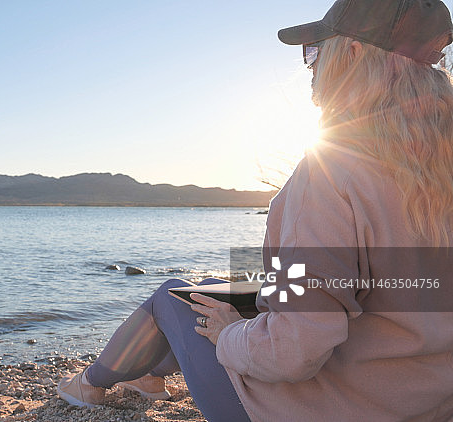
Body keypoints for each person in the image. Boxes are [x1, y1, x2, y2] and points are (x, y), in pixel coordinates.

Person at [56, 0, 453, 420]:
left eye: (315, 51)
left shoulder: (332, 173)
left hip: (330, 408)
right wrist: (268, 295)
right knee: (210, 291)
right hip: (429, 399)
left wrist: (231, 334)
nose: (311, 68)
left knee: (171, 299)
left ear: (352, 53)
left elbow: (296, 349)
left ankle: (88, 384)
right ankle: (146, 377)